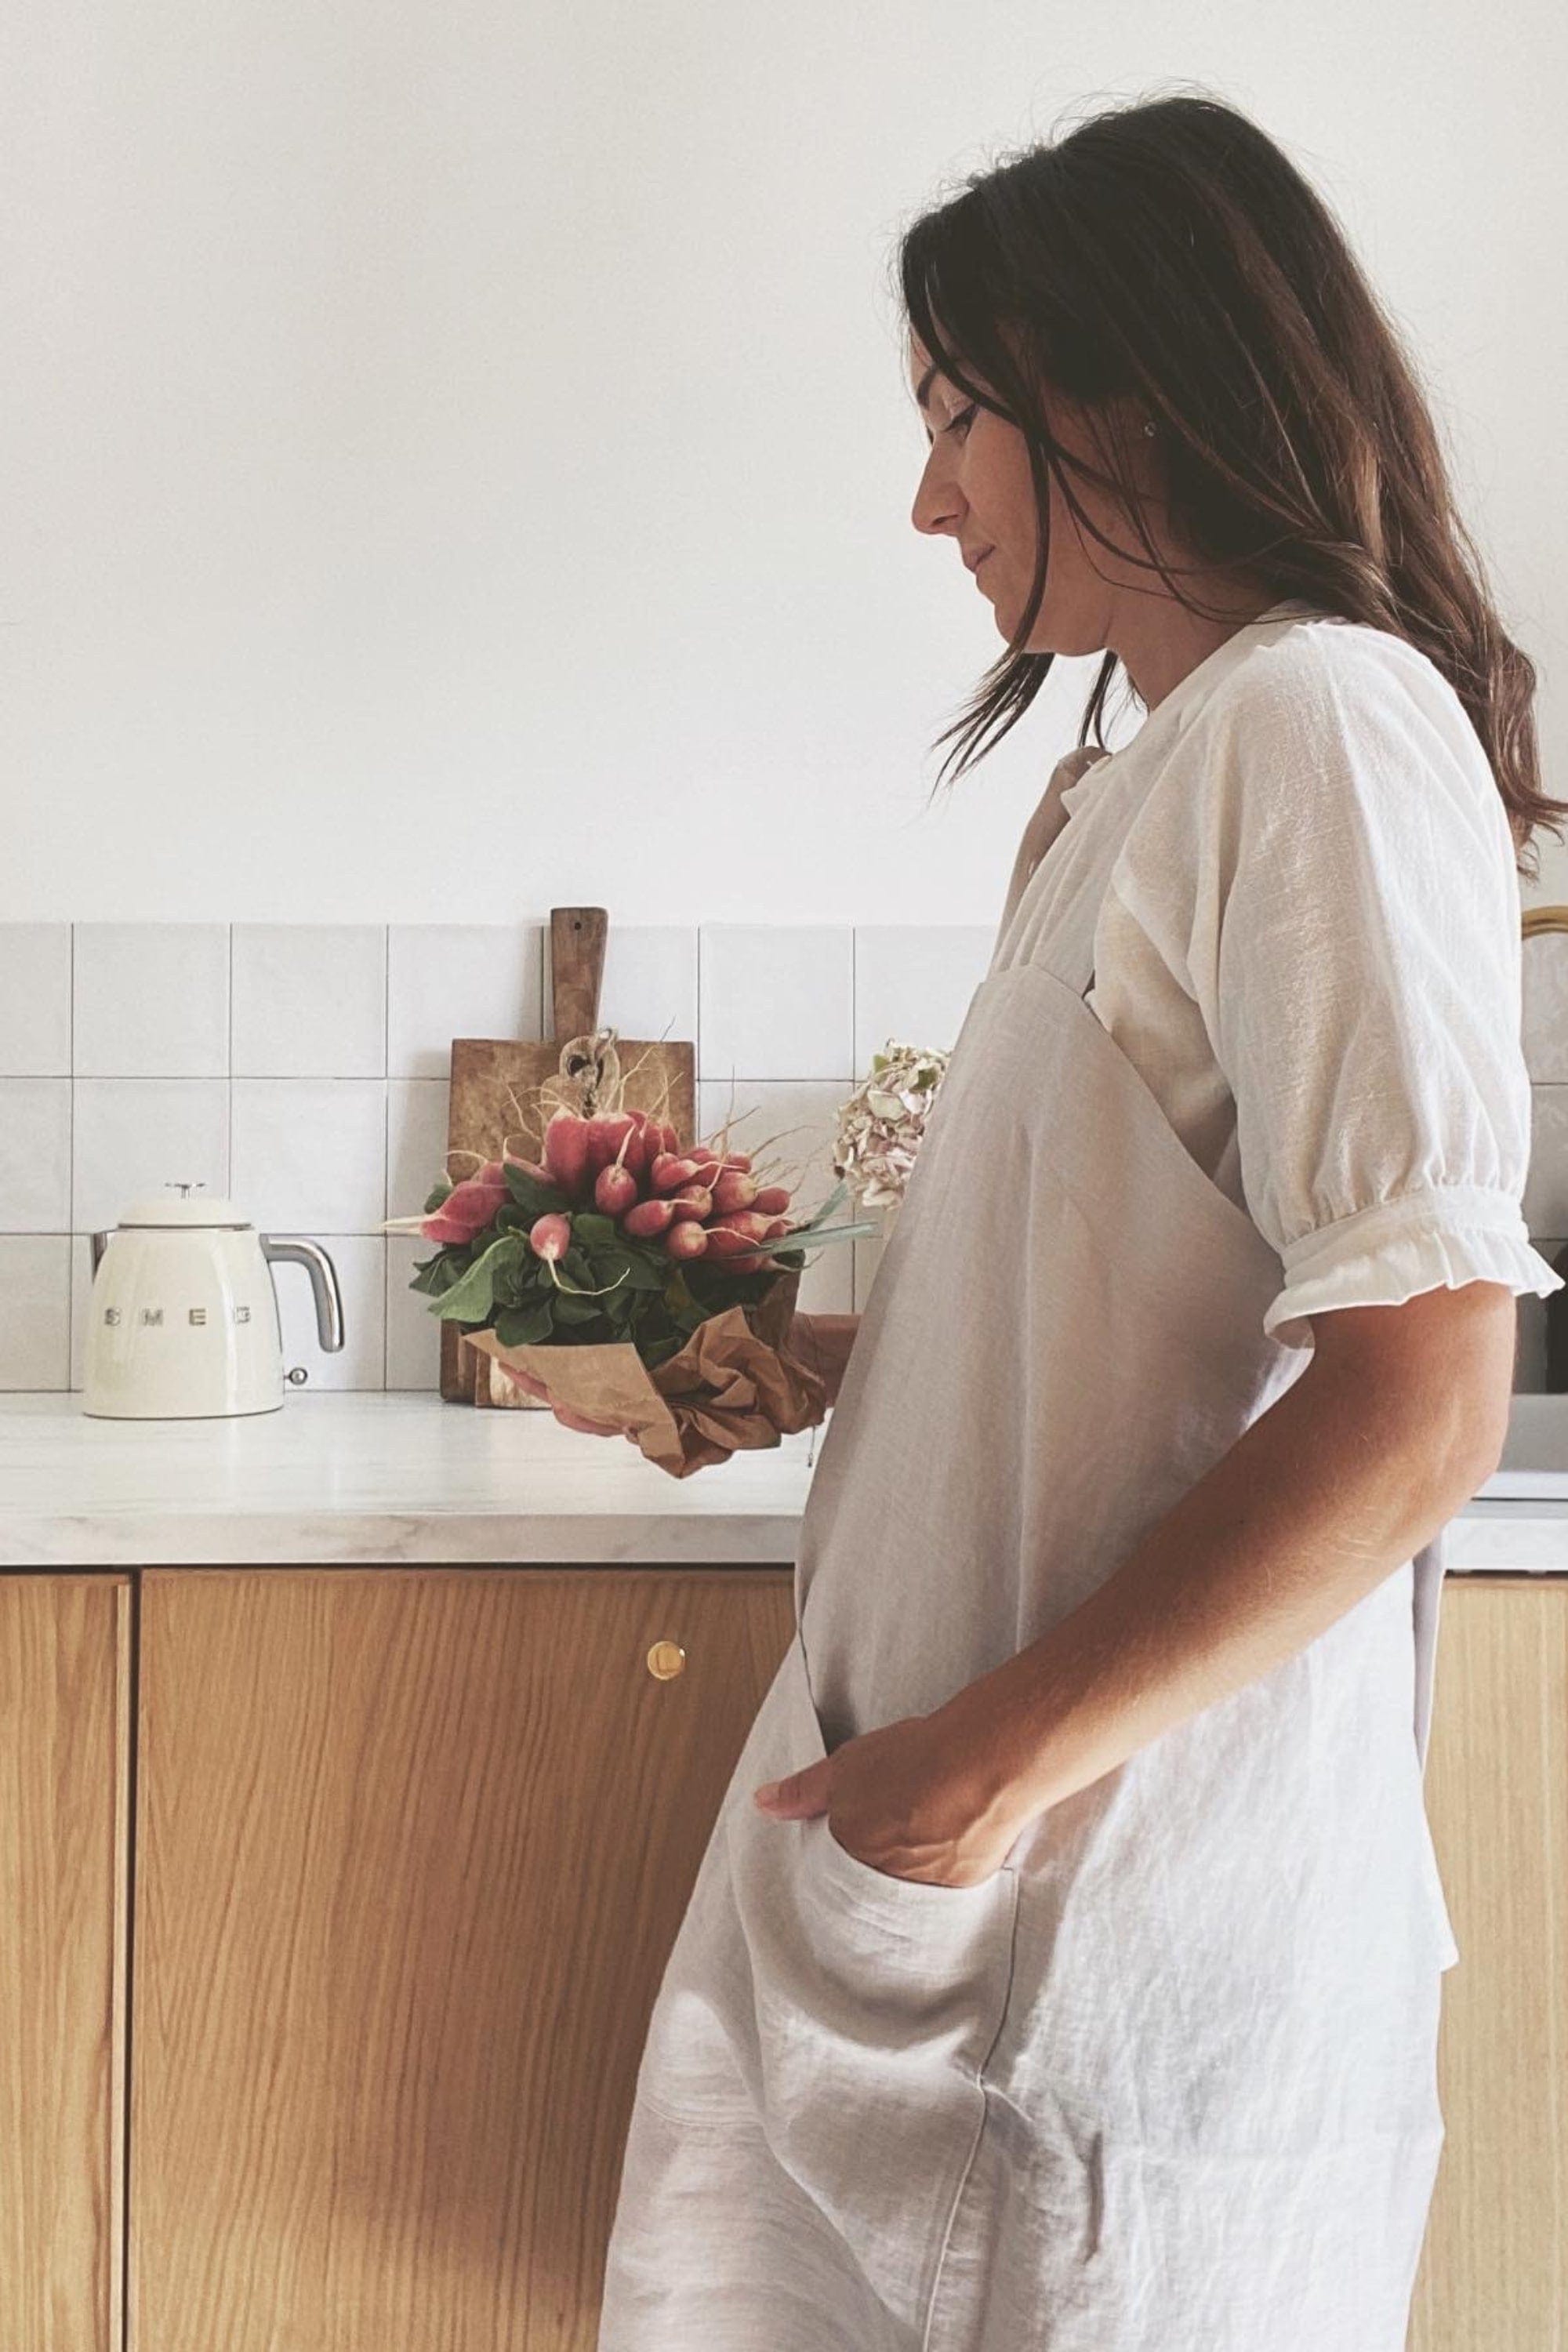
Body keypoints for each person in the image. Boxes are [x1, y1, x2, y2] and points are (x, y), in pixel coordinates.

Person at [594, 90, 1567, 2350]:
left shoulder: (1319, 722)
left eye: (962, 417)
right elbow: (1135, 1328)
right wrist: (811, 1362)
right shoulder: (1128, 777)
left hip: (1111, 1949)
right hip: (979, 1934)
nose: (927, 494)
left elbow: (1420, 1400)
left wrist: (972, 1779)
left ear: (1135, 395)